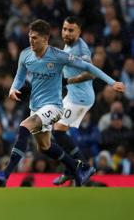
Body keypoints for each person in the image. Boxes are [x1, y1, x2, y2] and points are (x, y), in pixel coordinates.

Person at [0, 19, 125, 187]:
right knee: (44, 147)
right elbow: (20, 75)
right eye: (30, 37)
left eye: (35, 38)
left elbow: (89, 67)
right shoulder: (25, 54)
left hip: (54, 107)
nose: (31, 41)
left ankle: (5, 173)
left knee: (24, 127)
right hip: (36, 107)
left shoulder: (59, 56)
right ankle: (77, 167)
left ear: (45, 39)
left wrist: (112, 82)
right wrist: (13, 88)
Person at [53, 17, 96, 185]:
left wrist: (68, 81)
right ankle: (71, 169)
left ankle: (83, 166)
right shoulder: (69, 44)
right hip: (72, 95)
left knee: (59, 132)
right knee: (57, 132)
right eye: (65, 29)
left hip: (80, 97)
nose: (66, 32)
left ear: (79, 32)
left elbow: (91, 73)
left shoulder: (80, 48)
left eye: (71, 30)